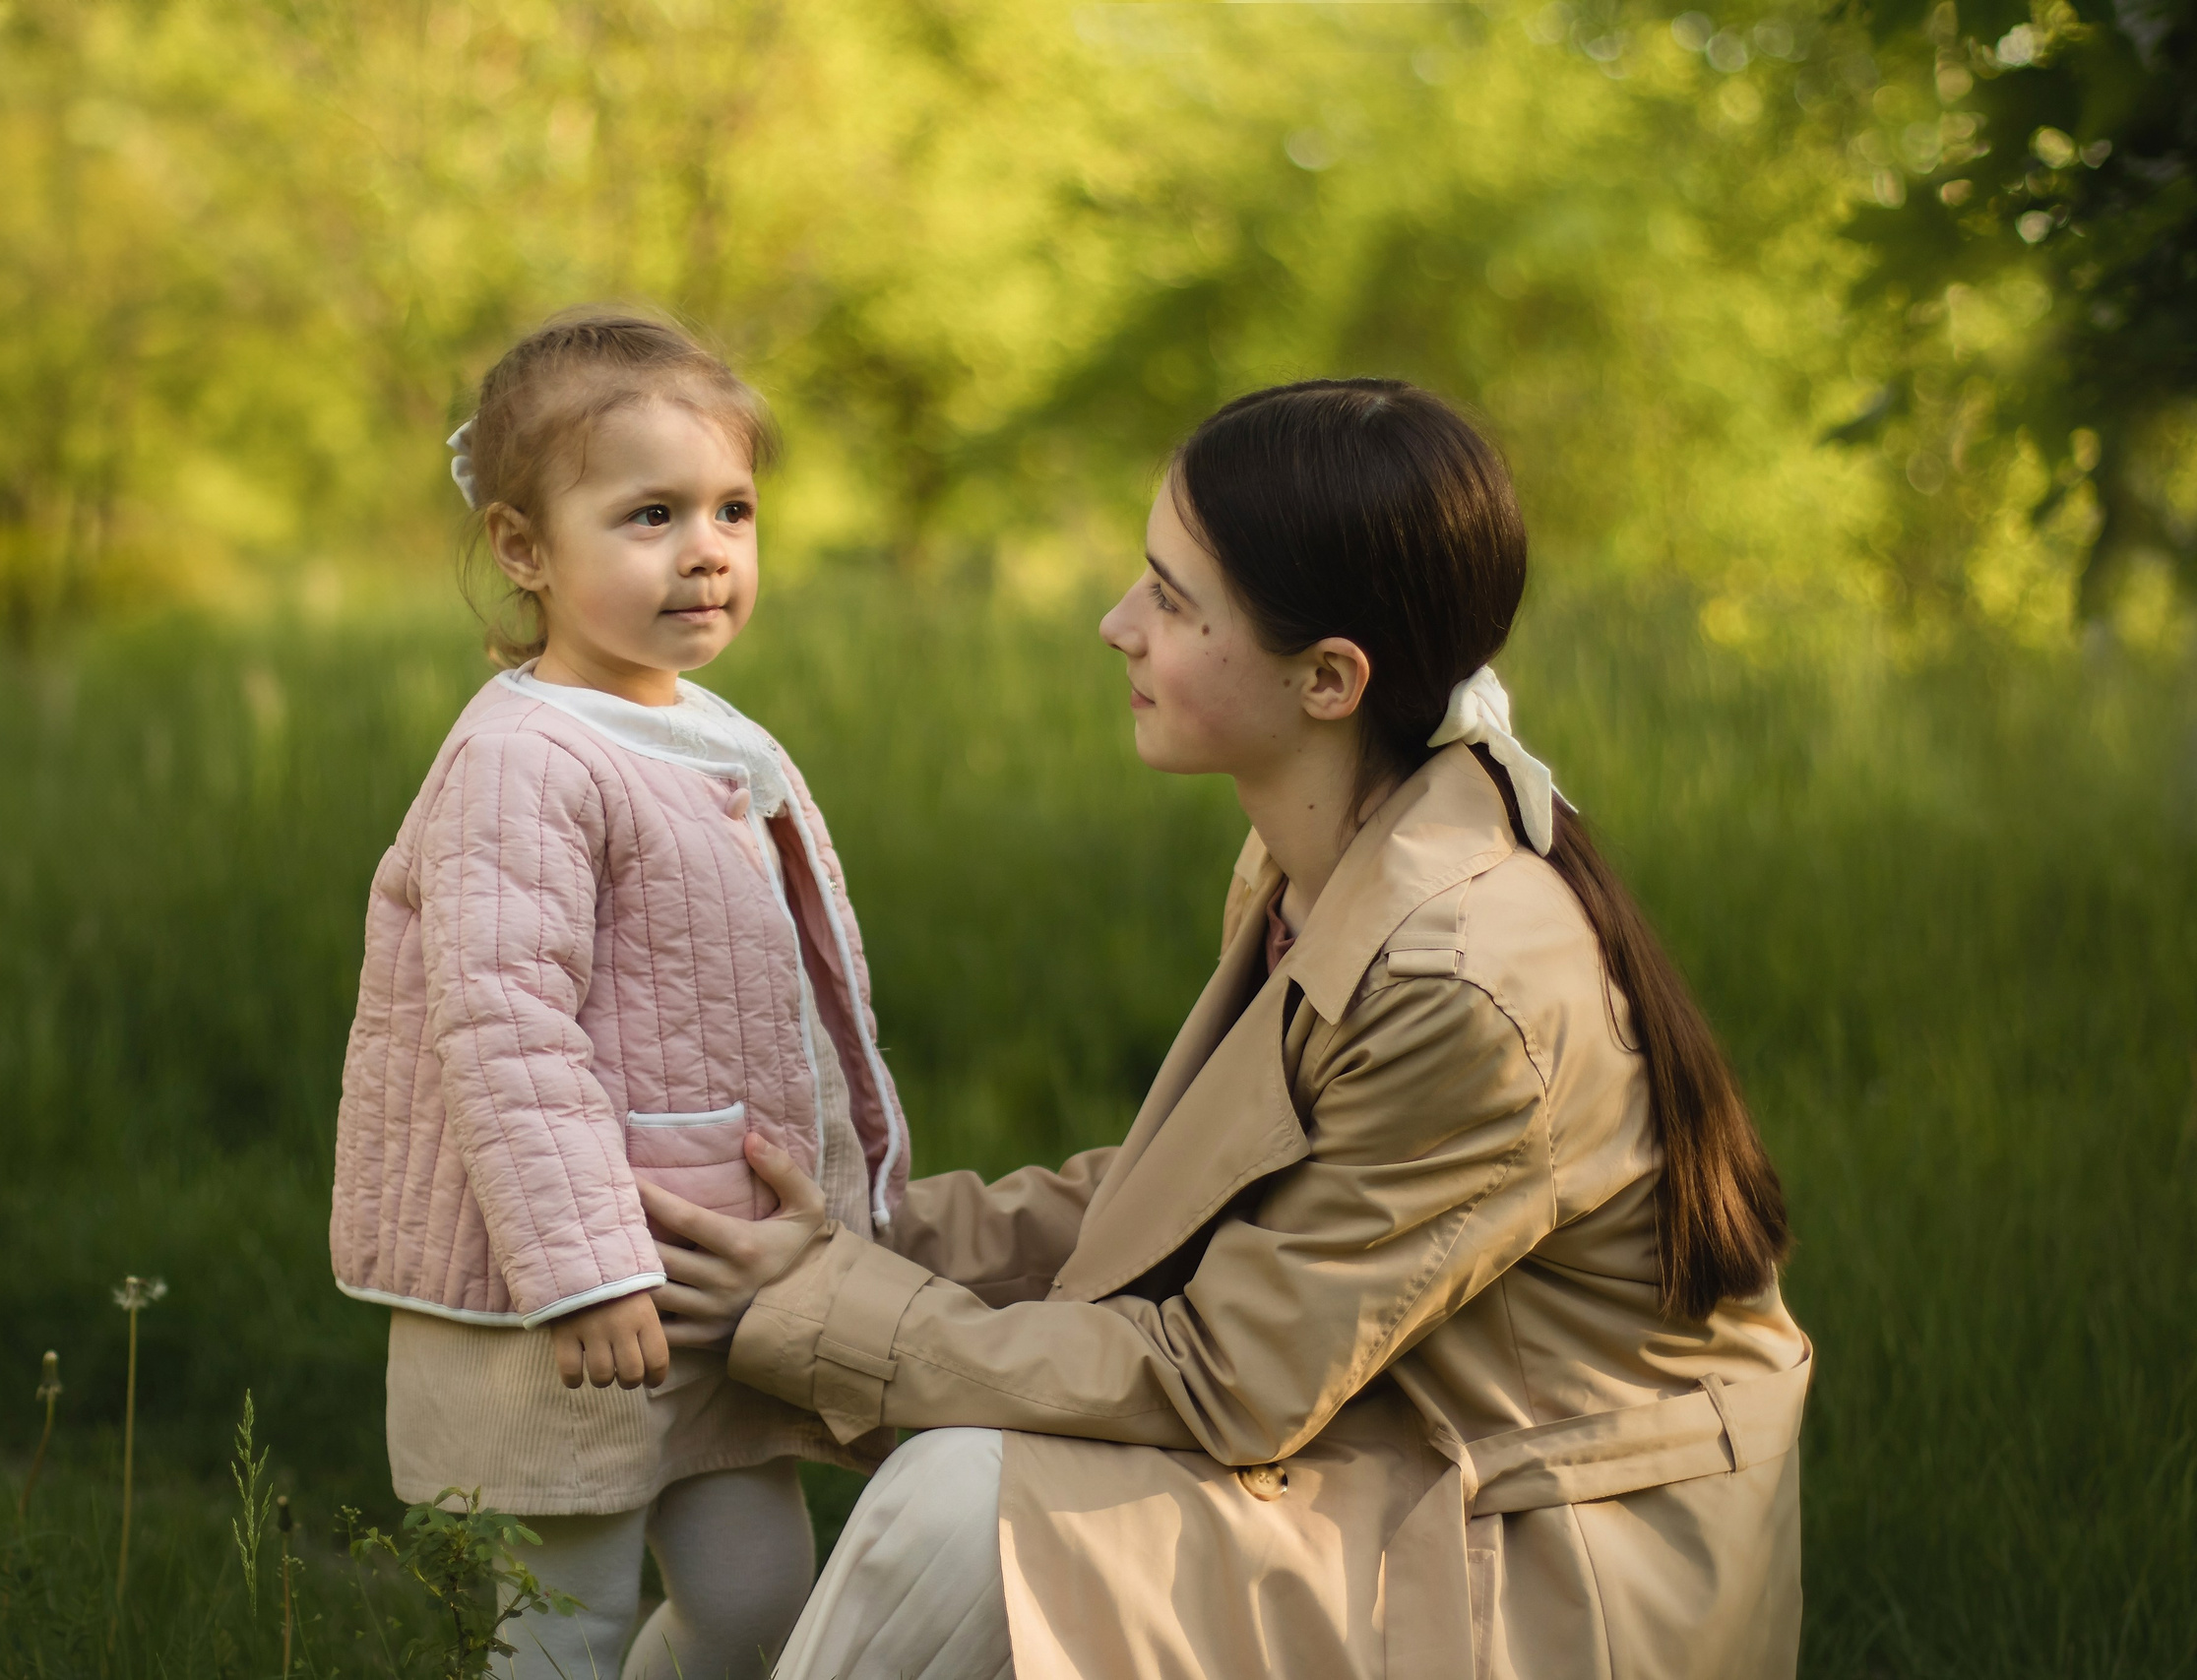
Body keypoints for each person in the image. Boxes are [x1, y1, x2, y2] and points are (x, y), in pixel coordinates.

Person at [645, 378, 1812, 1679]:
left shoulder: (1461, 980)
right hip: (1391, 1456)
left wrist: (829, 1310)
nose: (1116, 625)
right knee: (967, 1494)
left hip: (1546, 1566)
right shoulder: (1323, 860)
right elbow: (1189, 1199)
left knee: (967, 1510)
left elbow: (1225, 1379)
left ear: (1329, 679)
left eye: (1171, 599)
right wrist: (862, 1242)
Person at [328, 311, 911, 1680]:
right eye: (651, 515)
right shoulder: (524, 759)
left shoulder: (704, 728)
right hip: (571, 1295)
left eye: (732, 510)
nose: (706, 550)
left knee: (758, 1600)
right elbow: (505, 1026)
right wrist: (584, 1272)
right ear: (523, 548)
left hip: (711, 1276)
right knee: (564, 1620)